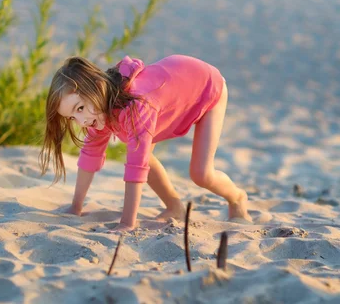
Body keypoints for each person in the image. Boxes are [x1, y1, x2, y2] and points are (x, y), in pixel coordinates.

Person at [39, 54, 252, 232]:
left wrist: (127, 223)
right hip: (172, 89)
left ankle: (238, 198)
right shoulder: (95, 110)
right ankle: (175, 207)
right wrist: (76, 207)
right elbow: (90, 156)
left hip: (206, 87)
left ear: (97, 87)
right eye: (72, 117)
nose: (82, 120)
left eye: (79, 108)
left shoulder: (136, 107)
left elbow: (136, 168)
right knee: (145, 156)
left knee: (201, 174)